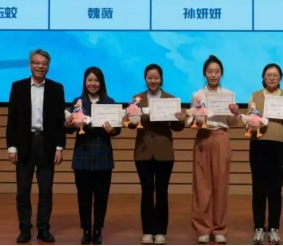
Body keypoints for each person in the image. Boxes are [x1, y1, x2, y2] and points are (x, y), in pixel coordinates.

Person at [6, 49, 66, 244]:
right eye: (36, 63)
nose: (40, 66)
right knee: (23, 191)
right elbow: (12, 120)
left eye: (44, 63)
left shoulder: (56, 88)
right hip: (25, 143)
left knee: (46, 191)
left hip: (46, 144)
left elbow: (59, 121)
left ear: (48, 66)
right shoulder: (18, 87)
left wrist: (59, 147)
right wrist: (11, 147)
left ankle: (43, 229)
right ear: (30, 65)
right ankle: (24, 229)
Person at [128, 64, 186, 245]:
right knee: (146, 191)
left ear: (161, 79)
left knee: (162, 192)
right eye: (149, 78)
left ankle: (160, 231)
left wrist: (180, 120)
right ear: (145, 79)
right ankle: (147, 231)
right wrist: (136, 118)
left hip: (164, 152)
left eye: (156, 78)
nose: (153, 81)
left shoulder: (171, 99)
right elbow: (131, 124)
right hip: (143, 151)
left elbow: (176, 128)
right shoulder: (137, 99)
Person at [186, 55, 240, 244]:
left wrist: (236, 113)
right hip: (203, 137)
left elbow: (232, 122)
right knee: (202, 185)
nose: (213, 75)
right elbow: (191, 121)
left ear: (221, 74)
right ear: (204, 74)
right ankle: (202, 228)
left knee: (221, 185)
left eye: (217, 71)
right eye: (210, 71)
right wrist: (193, 119)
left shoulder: (229, 95)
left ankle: (219, 229)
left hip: (221, 137)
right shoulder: (197, 95)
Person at [248, 63, 283, 245]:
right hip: (258, 145)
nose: (271, 78)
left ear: (280, 78)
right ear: (263, 77)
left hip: (280, 147)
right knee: (258, 188)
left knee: (275, 189)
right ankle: (258, 228)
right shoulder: (255, 96)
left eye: (275, 75)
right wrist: (252, 121)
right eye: (268, 75)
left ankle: (273, 228)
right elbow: (248, 120)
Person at [66, 67, 120, 245]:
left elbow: (117, 129)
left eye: (96, 80)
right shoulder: (78, 102)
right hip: (83, 153)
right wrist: (69, 124)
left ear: (101, 82)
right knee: (84, 196)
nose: (93, 83)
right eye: (89, 80)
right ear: (85, 82)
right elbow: (69, 129)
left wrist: (112, 130)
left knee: (102, 196)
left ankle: (97, 229)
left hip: (103, 153)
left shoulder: (109, 102)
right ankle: (86, 230)